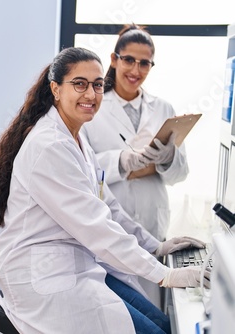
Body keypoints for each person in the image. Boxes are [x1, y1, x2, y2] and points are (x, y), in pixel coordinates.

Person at [0, 47, 208, 334]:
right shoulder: (49, 145)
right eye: (79, 84)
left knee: (163, 324)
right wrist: (165, 274)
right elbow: (95, 226)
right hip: (46, 279)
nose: (91, 94)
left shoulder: (77, 137)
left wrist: (155, 246)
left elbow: (107, 205)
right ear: (56, 89)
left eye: (97, 85)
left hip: (78, 266)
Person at [80, 23, 189, 309]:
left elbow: (181, 173)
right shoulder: (92, 104)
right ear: (114, 59)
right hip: (113, 221)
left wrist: (166, 160)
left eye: (144, 63)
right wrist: (123, 160)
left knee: (153, 309)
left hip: (153, 220)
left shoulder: (163, 108)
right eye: (128, 60)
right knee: (116, 311)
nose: (135, 70)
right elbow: (83, 166)